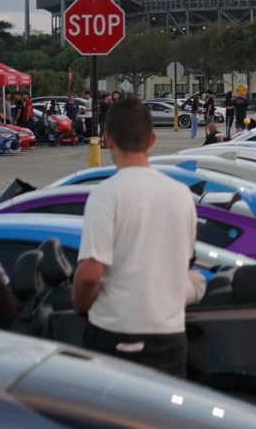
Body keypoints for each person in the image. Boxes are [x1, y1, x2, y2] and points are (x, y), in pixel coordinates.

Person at [73, 96, 198, 376]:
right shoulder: (181, 195)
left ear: (108, 141)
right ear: (152, 140)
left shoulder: (105, 194)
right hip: (170, 335)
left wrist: (80, 302)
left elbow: (91, 273)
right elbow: (185, 265)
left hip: (116, 333)